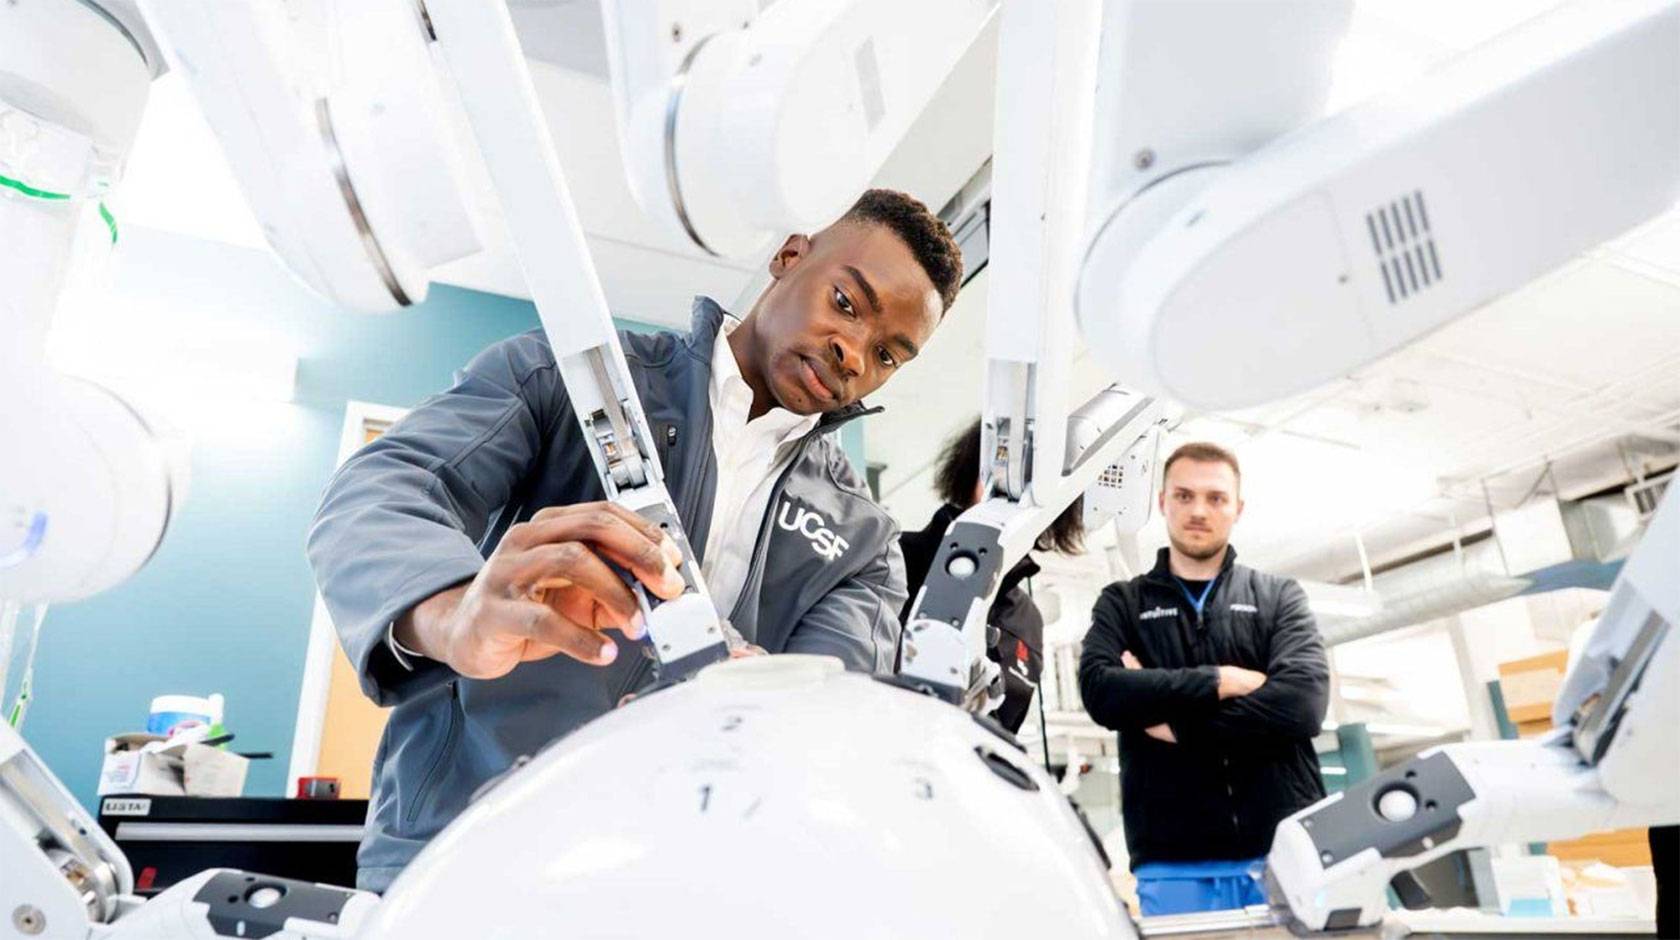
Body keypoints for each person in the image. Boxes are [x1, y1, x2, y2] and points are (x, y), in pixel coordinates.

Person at [308, 189, 964, 892]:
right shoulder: (571, 378)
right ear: (789, 257)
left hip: (664, 881)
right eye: (845, 303)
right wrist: (450, 613)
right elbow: (384, 490)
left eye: (889, 354)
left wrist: (762, 709)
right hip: (460, 852)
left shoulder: (863, 546)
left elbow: (819, 720)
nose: (853, 353)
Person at [1077, 441, 1329, 916]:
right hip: (1172, 861)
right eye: (1184, 495)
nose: (1199, 510)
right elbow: (1101, 691)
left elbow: (1303, 702)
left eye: (1216, 498)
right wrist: (1219, 679)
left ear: (1238, 508)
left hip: (1287, 850)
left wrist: (1172, 722)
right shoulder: (1124, 603)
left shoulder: (1278, 596)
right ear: (1162, 503)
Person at [897, 419, 1083, 733]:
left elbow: (1003, 728)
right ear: (972, 472)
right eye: (1003, 473)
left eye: (1035, 482)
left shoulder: (1026, 620)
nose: (1018, 495)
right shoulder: (894, 557)